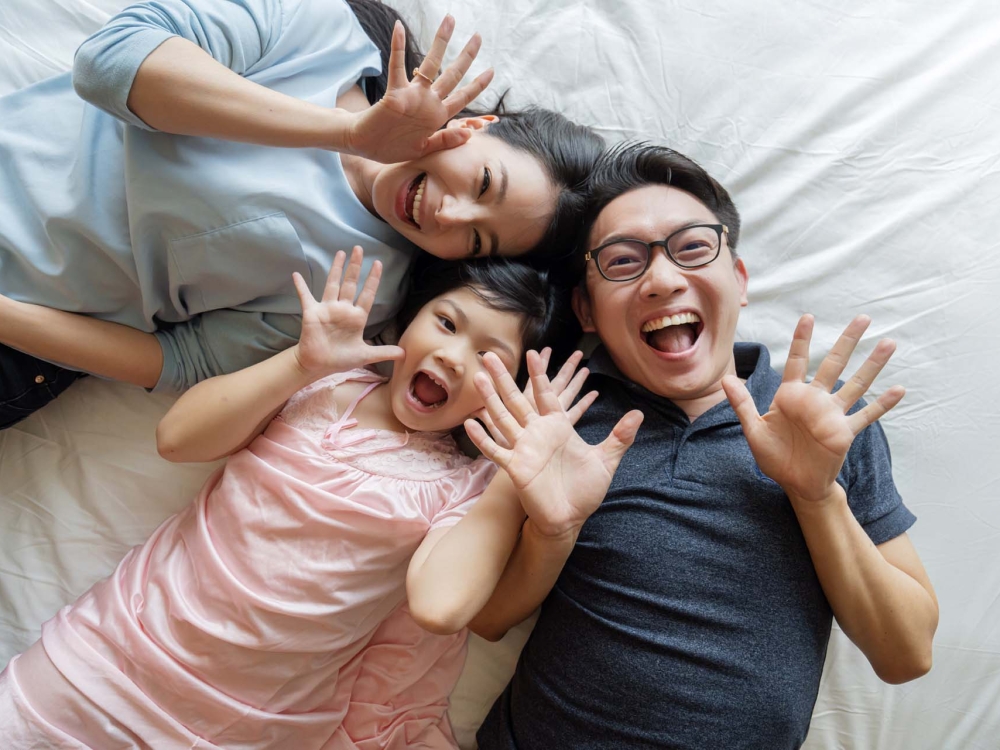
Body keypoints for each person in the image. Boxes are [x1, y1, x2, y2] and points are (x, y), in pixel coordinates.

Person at [0, 247, 639, 749]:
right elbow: (177, 438)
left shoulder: (468, 489)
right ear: (413, 315)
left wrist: (509, 470)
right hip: (102, 662)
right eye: (445, 322)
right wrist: (302, 364)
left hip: (242, 729)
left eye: (490, 360)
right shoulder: (325, 389)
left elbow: (445, 610)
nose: (450, 355)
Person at [464, 142, 940, 749]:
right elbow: (487, 619)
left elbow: (906, 656)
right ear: (585, 308)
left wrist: (816, 496)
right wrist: (549, 532)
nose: (663, 280)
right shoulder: (565, 420)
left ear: (738, 281)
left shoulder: (830, 420)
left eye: (692, 248)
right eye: (622, 261)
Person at [0, 0, 603, 429]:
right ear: (476, 127)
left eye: (475, 240)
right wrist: (349, 133)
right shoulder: (321, 32)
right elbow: (108, 64)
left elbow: (180, 364)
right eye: (483, 182)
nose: (448, 214)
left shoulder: (362, 292)